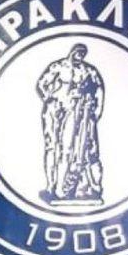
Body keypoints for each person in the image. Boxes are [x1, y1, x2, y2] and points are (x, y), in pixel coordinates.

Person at [36, 43, 105, 204]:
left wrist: (97, 110)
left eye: (82, 54)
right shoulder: (58, 67)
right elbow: (41, 84)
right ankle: (51, 186)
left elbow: (99, 89)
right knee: (52, 148)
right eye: (78, 53)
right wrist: (50, 98)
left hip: (78, 112)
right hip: (55, 110)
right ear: (72, 52)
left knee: (78, 149)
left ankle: (77, 188)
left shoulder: (89, 71)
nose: (80, 56)